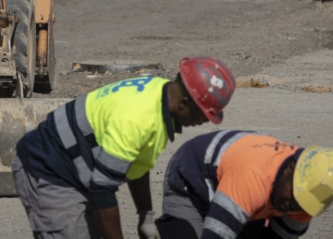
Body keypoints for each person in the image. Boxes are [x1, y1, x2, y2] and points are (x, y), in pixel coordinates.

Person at [12, 56, 236, 239]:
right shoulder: (137, 119)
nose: (206, 120)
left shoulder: (160, 95)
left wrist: (145, 215)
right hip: (47, 168)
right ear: (184, 104)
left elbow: (137, 163)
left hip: (77, 169)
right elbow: (102, 189)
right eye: (205, 113)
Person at [155, 130, 333, 239]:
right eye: (294, 197)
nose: (291, 207)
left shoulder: (305, 202)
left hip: (247, 194)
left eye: (301, 205)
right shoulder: (252, 177)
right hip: (192, 178)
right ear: (290, 169)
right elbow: (215, 236)